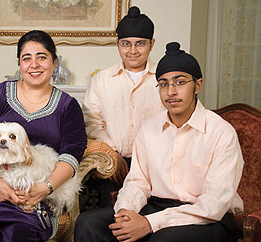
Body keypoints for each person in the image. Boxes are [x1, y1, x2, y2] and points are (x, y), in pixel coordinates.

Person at [74, 42, 244, 242]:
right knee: (88, 223)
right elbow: (138, 182)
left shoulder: (221, 133)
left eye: (179, 82)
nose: (170, 91)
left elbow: (213, 205)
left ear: (198, 84)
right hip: (157, 205)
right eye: (163, 84)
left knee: (164, 238)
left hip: (207, 217)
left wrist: (149, 223)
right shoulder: (149, 130)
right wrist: (125, 213)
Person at [0, 30, 87, 242]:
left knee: (19, 230)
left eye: (42, 57)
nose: (34, 64)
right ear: (19, 64)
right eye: (27, 58)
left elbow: (71, 155)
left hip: (36, 192)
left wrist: (44, 189)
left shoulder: (67, 106)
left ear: (54, 63)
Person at [81, 6, 165, 197]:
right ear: (118, 44)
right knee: (110, 220)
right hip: (114, 166)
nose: (133, 51)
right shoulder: (102, 79)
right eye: (126, 43)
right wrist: (111, 154)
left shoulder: (164, 78)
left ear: (152, 44)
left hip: (157, 165)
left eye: (140, 44)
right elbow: (91, 121)